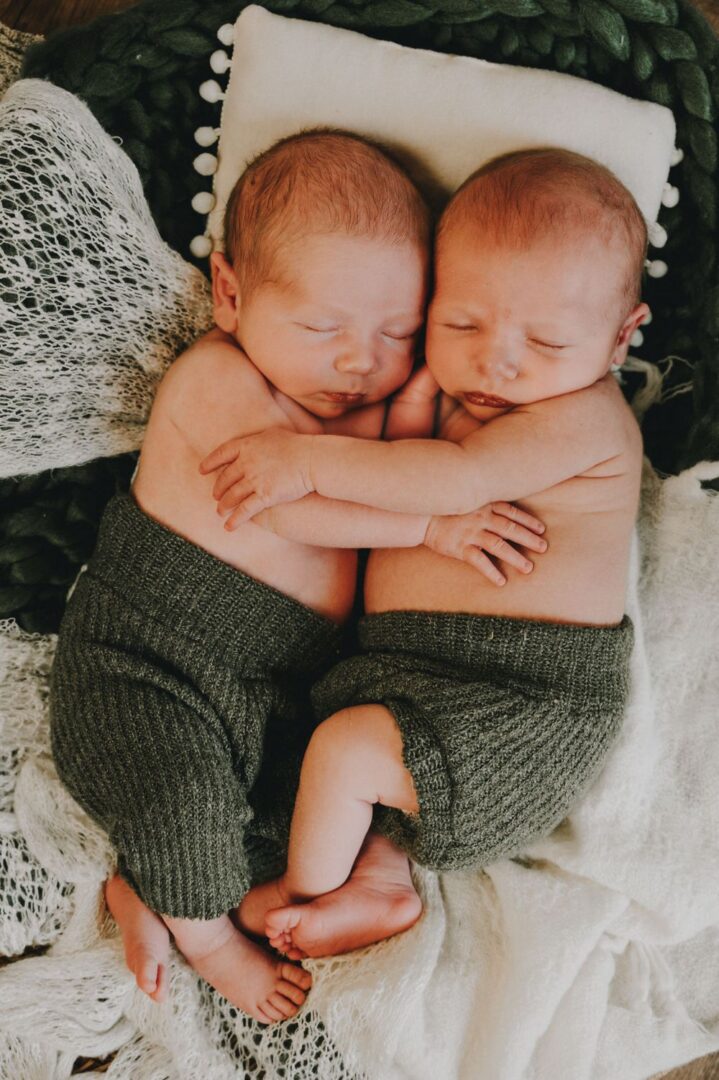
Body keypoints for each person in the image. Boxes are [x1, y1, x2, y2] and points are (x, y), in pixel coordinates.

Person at [49, 131, 547, 1021]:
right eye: (323, 327)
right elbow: (292, 509)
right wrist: (437, 523)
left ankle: (148, 887)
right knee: (183, 798)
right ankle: (200, 934)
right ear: (231, 296)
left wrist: (431, 388)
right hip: (146, 667)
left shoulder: (364, 408)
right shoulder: (217, 382)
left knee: (298, 829)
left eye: (395, 332)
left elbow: (402, 461)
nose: (358, 360)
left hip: (275, 686)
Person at [200, 147, 646, 960]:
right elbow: (392, 488)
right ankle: (379, 880)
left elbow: (451, 480)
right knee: (293, 762)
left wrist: (301, 460)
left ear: (621, 338)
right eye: (460, 323)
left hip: (522, 702)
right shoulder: (447, 392)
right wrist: (406, 412)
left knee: (345, 752)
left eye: (544, 341)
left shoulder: (584, 418)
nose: (495, 360)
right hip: (410, 675)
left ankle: (299, 897)